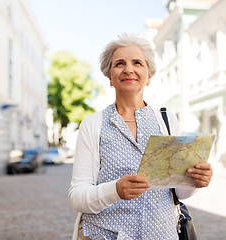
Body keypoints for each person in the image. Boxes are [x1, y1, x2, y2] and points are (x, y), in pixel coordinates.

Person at [68, 33, 213, 240]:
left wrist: (195, 181)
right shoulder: (93, 125)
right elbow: (77, 197)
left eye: (137, 63)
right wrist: (115, 190)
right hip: (104, 235)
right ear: (110, 77)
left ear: (149, 75)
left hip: (161, 234)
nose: (129, 69)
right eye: (120, 64)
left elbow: (180, 192)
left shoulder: (167, 120)